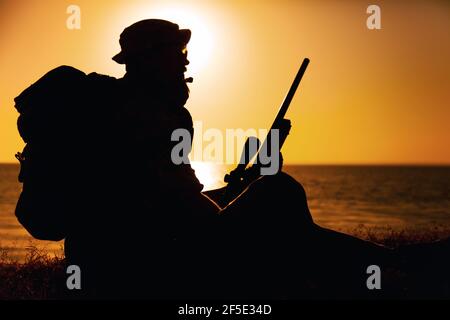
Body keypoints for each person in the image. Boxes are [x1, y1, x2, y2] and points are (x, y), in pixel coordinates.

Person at [15, 19, 397, 299]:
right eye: (178, 53)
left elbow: (175, 204)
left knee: (272, 203)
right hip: (145, 274)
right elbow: (193, 219)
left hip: (106, 267)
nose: (185, 62)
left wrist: (238, 187)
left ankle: (376, 265)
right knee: (279, 192)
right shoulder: (147, 115)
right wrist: (256, 187)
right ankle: (384, 268)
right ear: (152, 59)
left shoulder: (110, 106)